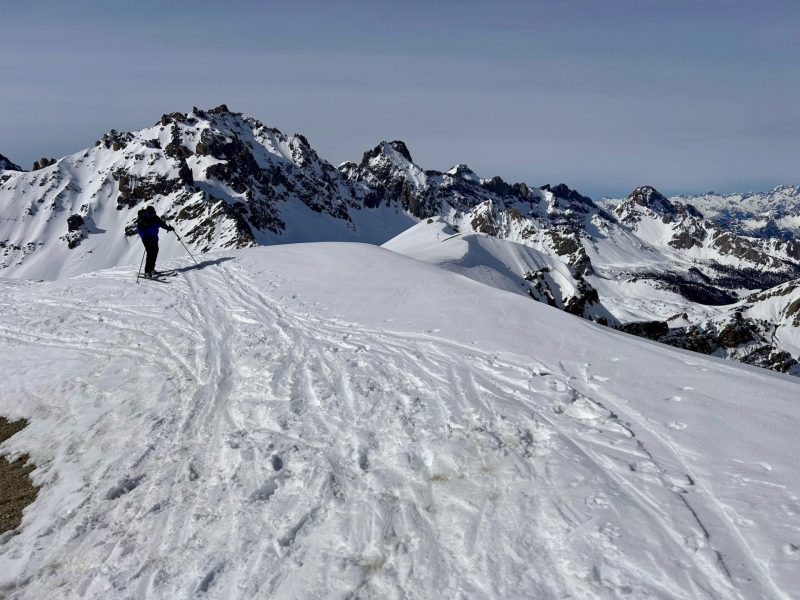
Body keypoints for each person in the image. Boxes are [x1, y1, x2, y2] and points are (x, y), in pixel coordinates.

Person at [135, 206, 174, 278]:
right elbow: (139, 229)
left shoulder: (156, 218)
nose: (154, 214)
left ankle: (152, 269)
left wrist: (169, 228)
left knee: (155, 252)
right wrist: (144, 236)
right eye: (152, 213)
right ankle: (147, 272)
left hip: (154, 238)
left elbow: (162, 224)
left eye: (154, 212)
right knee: (150, 253)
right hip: (146, 239)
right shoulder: (143, 219)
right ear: (148, 213)